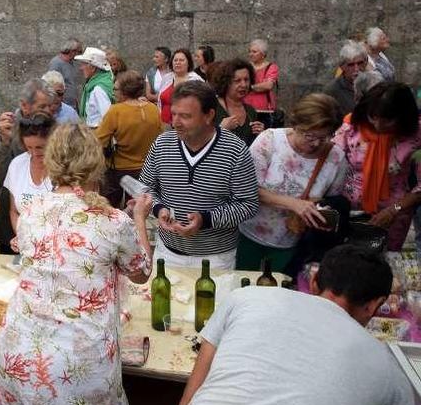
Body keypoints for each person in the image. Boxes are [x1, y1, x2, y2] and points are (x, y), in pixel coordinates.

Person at [0, 123, 153, 405]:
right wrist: (139, 217)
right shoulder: (113, 221)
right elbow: (141, 272)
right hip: (78, 365)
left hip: (19, 352)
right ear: (96, 164)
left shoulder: (32, 212)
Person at [180, 245, 416, 405]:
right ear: (375, 305)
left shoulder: (244, 298)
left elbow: (187, 404)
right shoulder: (386, 366)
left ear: (313, 282)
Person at [140, 81, 259, 269]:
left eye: (185, 116)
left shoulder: (235, 150)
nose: (176, 122)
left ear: (209, 115)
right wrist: (158, 208)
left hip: (216, 258)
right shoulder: (162, 144)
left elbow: (248, 204)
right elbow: (145, 188)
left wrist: (206, 219)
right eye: (174, 114)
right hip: (168, 252)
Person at [237, 94, 347, 272]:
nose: (316, 143)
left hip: (292, 242)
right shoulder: (269, 141)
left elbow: (333, 203)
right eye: (310, 135)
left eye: (325, 137)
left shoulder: (336, 158)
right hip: (249, 234)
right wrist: (293, 204)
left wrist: (320, 212)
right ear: (297, 124)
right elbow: (246, 188)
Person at [333, 82, 421, 251]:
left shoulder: (416, 134)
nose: (378, 126)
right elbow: (331, 160)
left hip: (394, 214)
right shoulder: (352, 126)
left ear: (404, 116)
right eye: (373, 117)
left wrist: (393, 210)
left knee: (381, 265)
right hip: (349, 212)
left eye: (388, 120)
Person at [96, 70, 163, 207]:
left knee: (111, 210)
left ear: (124, 91)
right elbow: (159, 139)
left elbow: (98, 141)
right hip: (145, 170)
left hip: (118, 171)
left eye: (115, 89)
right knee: (136, 210)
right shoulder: (153, 109)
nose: (113, 92)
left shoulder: (116, 111)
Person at [3, 113, 55, 236]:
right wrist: (21, 238)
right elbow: (14, 210)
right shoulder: (17, 164)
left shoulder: (65, 168)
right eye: (29, 147)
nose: (34, 153)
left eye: (40, 147)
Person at [210, 59, 265, 146]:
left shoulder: (251, 111)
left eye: (246, 80)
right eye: (237, 81)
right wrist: (221, 129)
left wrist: (262, 135)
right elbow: (197, 141)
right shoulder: (211, 107)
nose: (243, 85)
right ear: (226, 83)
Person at [158, 48, 203, 126]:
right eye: (175, 60)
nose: (178, 63)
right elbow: (160, 101)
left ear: (188, 63)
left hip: (186, 125)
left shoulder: (196, 80)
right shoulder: (167, 78)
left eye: (181, 60)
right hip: (164, 124)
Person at [325, 40, 368, 118]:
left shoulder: (374, 83)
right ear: (342, 67)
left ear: (366, 63)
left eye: (360, 63)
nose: (356, 69)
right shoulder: (333, 89)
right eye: (351, 65)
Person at [75, 47, 114, 128]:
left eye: (83, 64)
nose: (81, 68)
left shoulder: (98, 89)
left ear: (93, 68)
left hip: (97, 134)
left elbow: (107, 118)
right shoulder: (100, 83)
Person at [246, 39, 280, 127]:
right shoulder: (246, 67)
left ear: (263, 54)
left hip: (264, 109)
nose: (250, 54)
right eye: (249, 51)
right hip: (246, 107)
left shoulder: (271, 67)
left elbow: (268, 85)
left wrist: (250, 87)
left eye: (254, 52)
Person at [47, 38, 84, 109]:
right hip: (62, 107)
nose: (79, 55)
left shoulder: (71, 63)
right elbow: (51, 86)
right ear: (72, 51)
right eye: (79, 52)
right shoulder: (56, 63)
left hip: (72, 105)